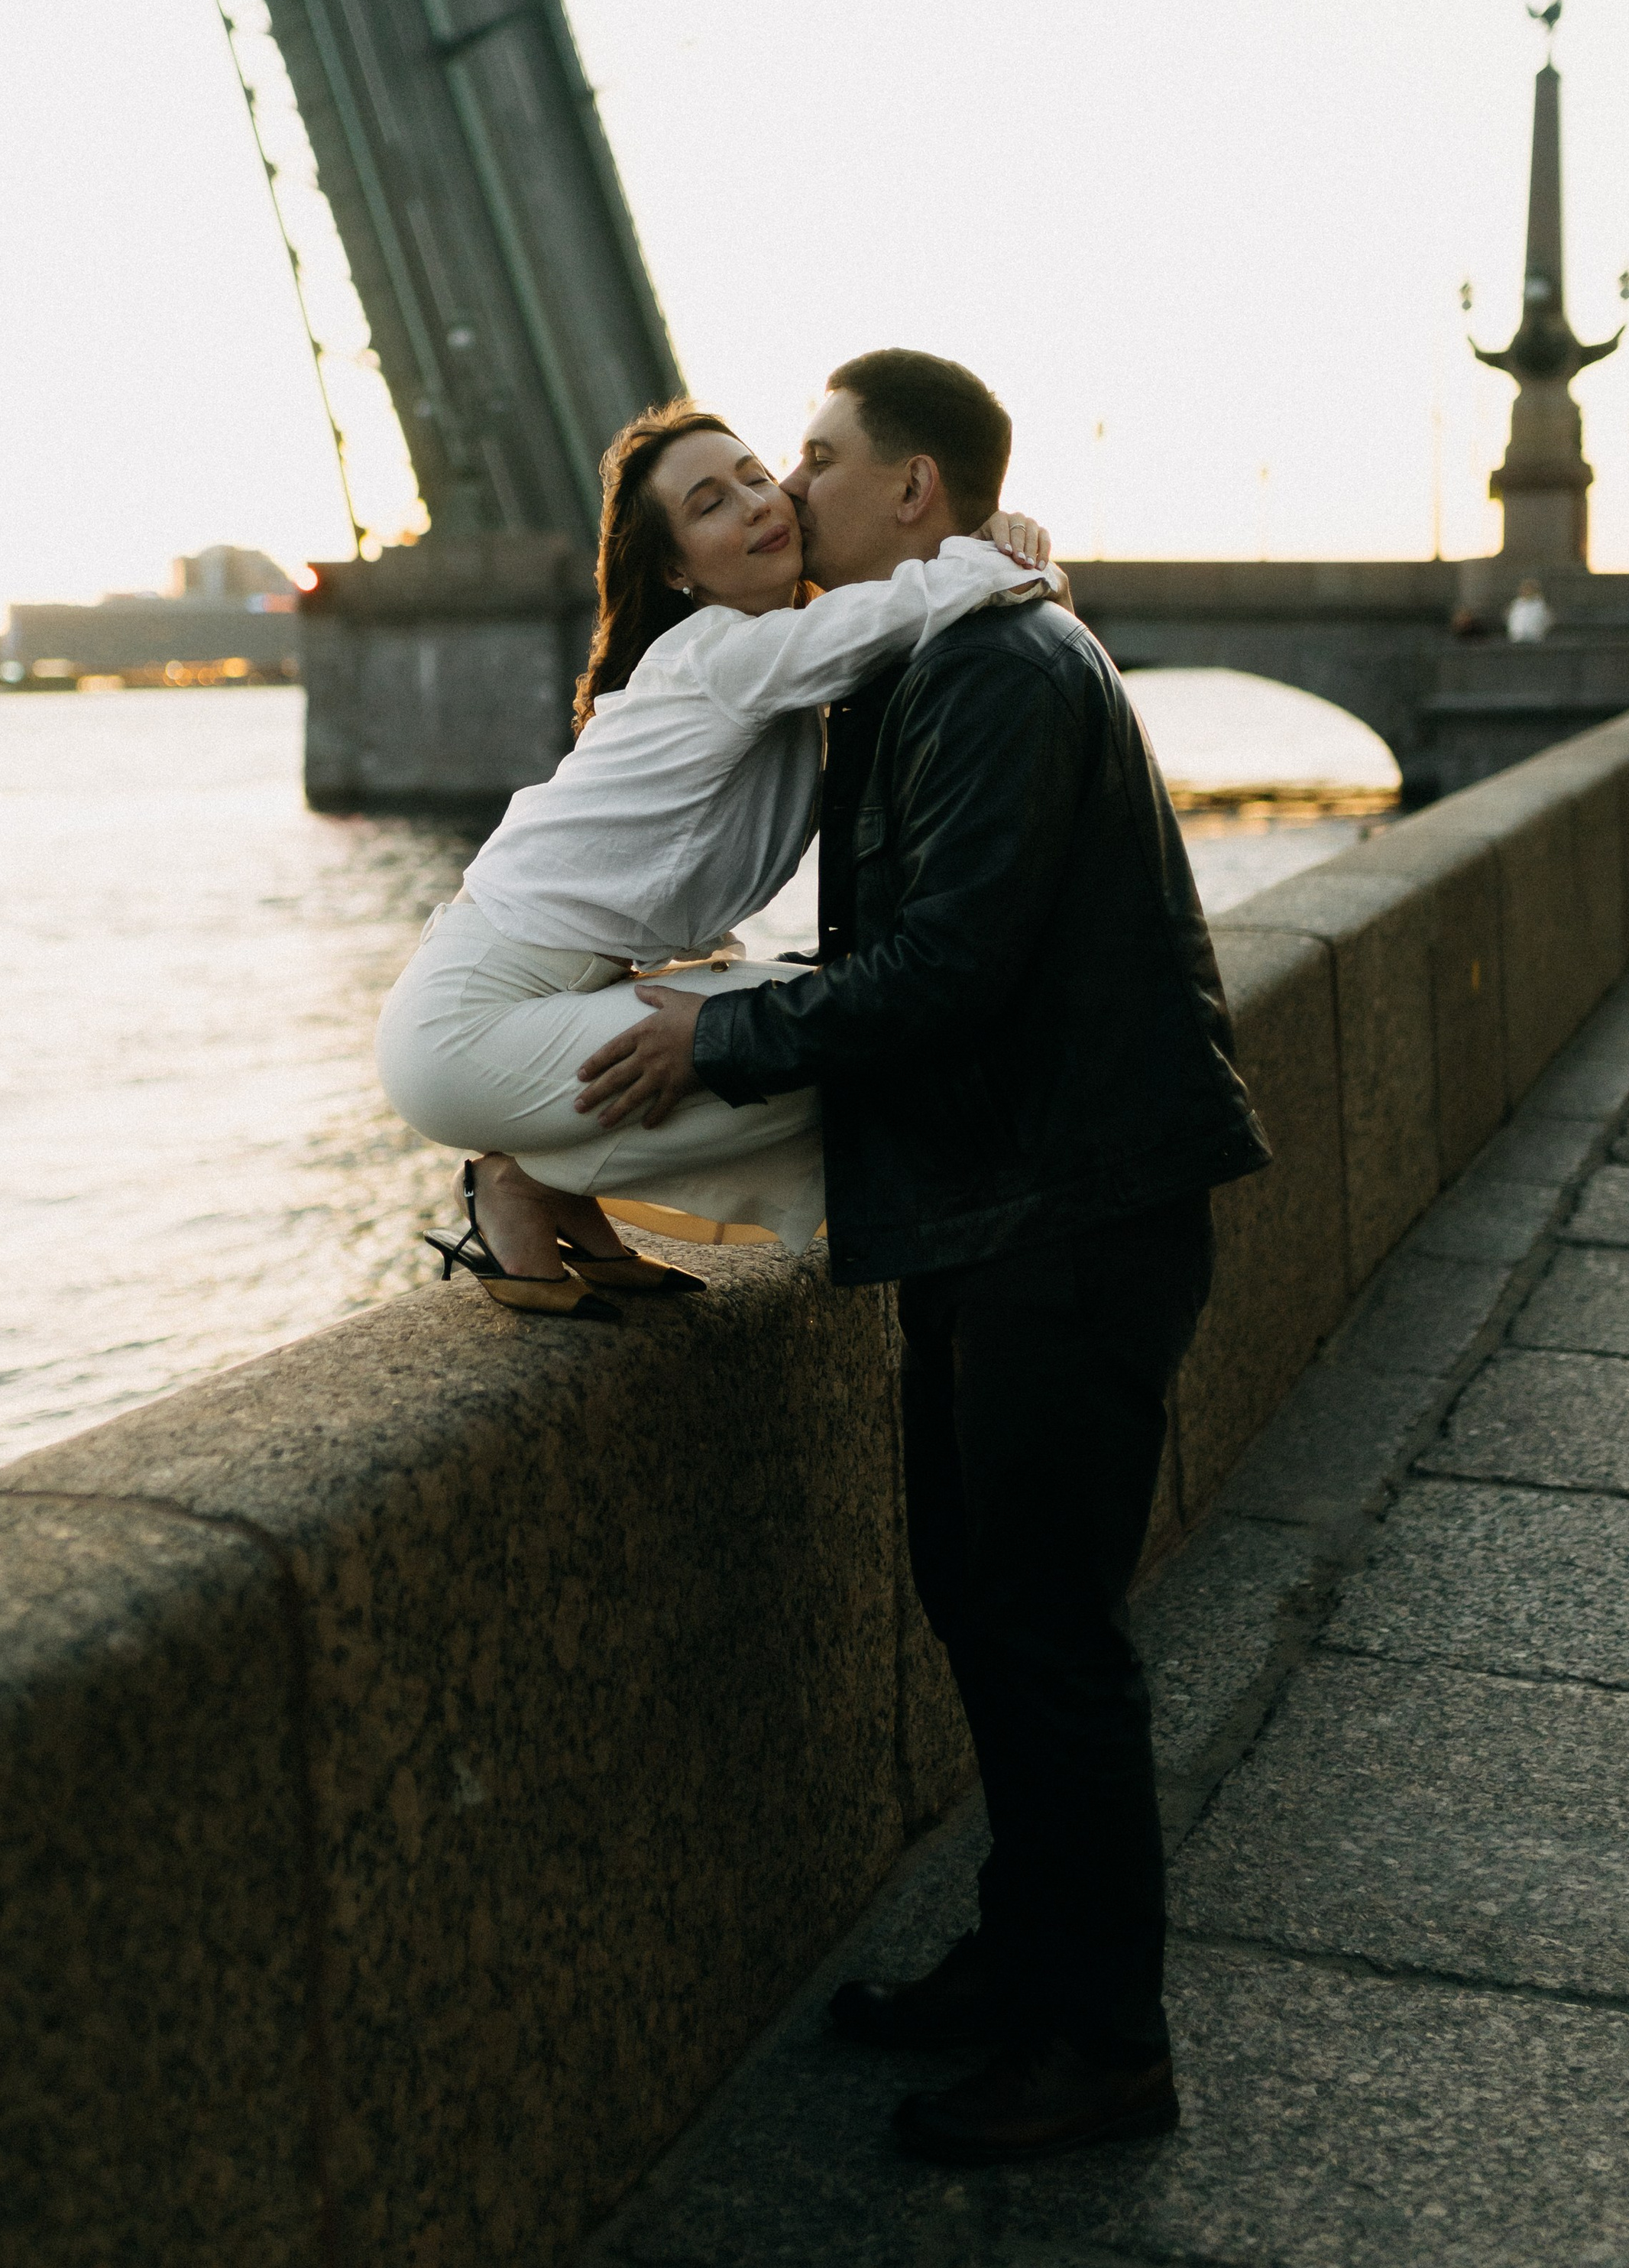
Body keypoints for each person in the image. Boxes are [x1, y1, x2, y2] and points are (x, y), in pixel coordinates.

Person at [574, 348, 1270, 2166]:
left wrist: (705, 1038)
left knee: (1047, 1631)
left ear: (915, 495)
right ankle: (1021, 1956)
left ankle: (1103, 2039)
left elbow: (945, 968)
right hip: (1000, 1202)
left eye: (812, 456)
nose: (784, 486)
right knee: (984, 1599)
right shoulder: (928, 655)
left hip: (1068, 1213)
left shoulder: (997, 668)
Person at [374, 399, 1058, 1320]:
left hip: (527, 999)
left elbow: (877, 621)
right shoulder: (718, 656)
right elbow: (889, 613)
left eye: (751, 475)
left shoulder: (774, 670)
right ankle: (525, 1182)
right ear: (675, 569)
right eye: (708, 505)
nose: (755, 504)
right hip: (467, 1027)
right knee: (850, 1049)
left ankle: (546, 1187)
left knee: (829, 1026)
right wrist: (1006, 557)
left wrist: (996, 551)